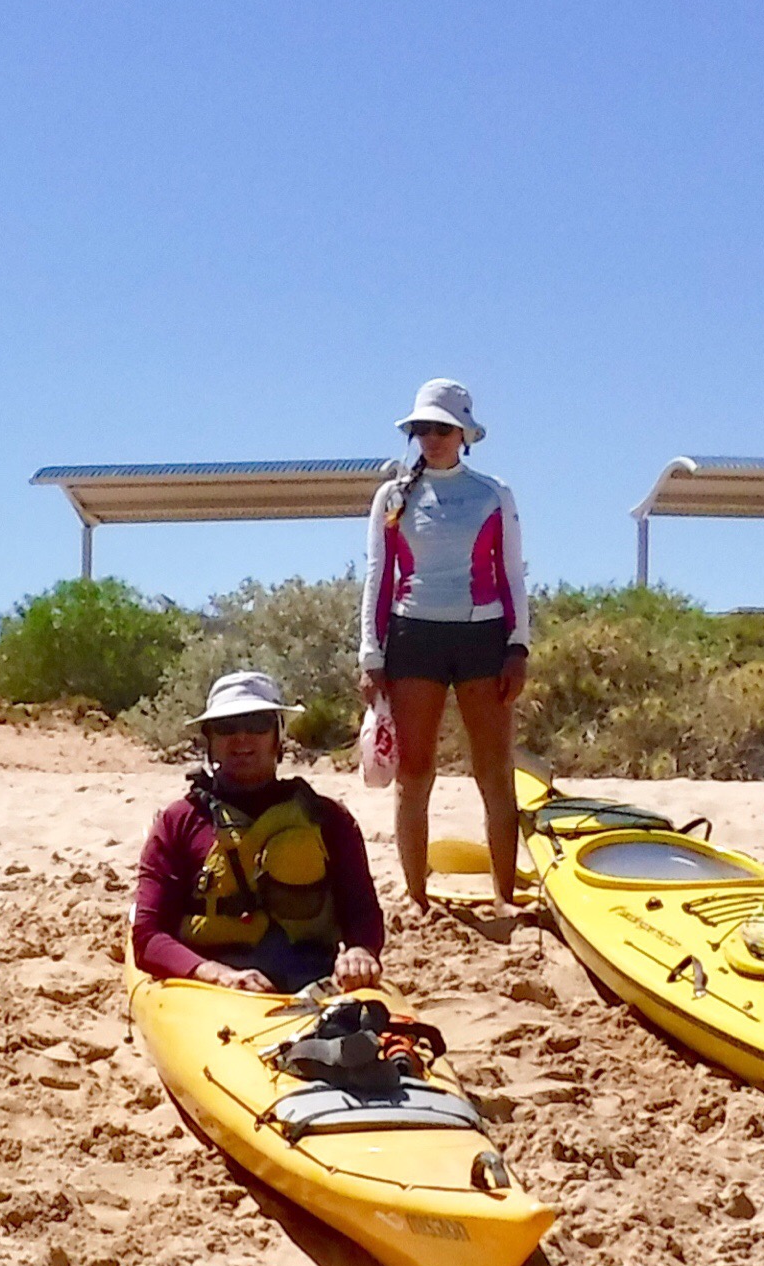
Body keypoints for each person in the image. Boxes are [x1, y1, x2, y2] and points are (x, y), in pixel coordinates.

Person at [357, 379, 530, 907]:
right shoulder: (393, 496)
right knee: (415, 774)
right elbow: (377, 576)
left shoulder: (493, 493)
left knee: (494, 772)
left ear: (463, 434)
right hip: (414, 637)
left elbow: (512, 574)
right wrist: (370, 654)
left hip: (483, 636)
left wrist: (518, 646)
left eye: (442, 428)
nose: (431, 438)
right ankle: (417, 899)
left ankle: (504, 896)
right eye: (422, 429)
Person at [133, 670, 384, 994]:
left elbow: (362, 912)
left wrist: (361, 951)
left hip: (313, 975)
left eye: (257, 724)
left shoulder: (329, 819)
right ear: (209, 740)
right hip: (210, 985)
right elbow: (148, 937)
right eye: (226, 727)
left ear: (278, 737)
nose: (242, 737)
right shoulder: (177, 822)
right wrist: (218, 975)